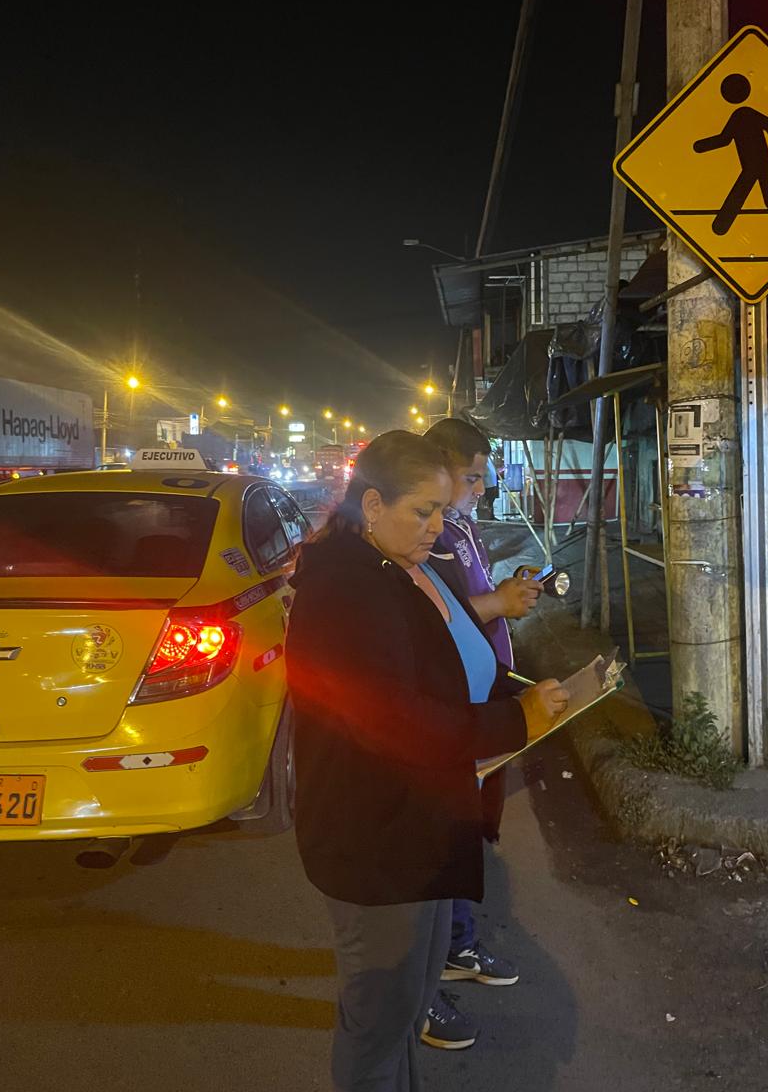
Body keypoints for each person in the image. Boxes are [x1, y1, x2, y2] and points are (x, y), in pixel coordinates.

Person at [285, 430, 567, 1092]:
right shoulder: (346, 590)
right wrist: (514, 720)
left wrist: (515, 699)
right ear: (373, 505)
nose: (438, 526)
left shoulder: (395, 566)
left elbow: (440, 667)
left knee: (408, 1007)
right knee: (379, 1021)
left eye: (442, 509)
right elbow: (396, 722)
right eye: (423, 510)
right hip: (374, 843)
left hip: (419, 823)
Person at [422, 419, 541, 1006]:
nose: (480, 487)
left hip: (480, 693)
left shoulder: (459, 526)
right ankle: (442, 958)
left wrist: (505, 594)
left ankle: (452, 944)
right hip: (455, 707)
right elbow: (431, 615)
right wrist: (497, 601)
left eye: (481, 476)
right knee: (451, 829)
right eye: (471, 476)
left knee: (466, 826)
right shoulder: (425, 535)